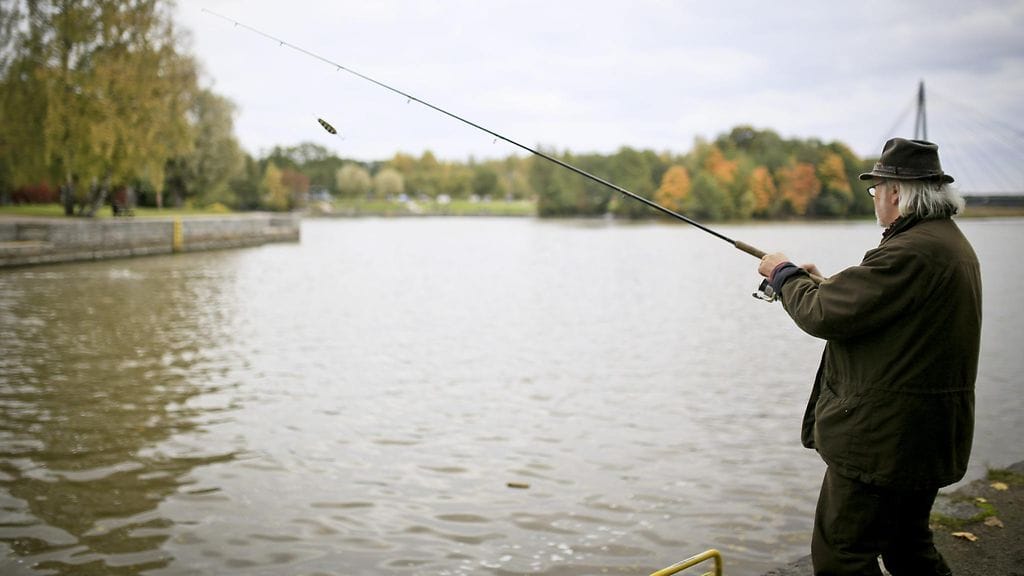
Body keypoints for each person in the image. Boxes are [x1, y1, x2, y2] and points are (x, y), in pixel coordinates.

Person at [757, 138, 982, 576]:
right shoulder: (945, 244)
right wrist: (824, 283)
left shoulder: (912, 250)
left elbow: (821, 315)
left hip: (884, 441)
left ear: (895, 191)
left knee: (841, 553)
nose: (875, 197)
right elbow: (885, 309)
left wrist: (782, 273)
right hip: (923, 435)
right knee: (907, 546)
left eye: (876, 188)